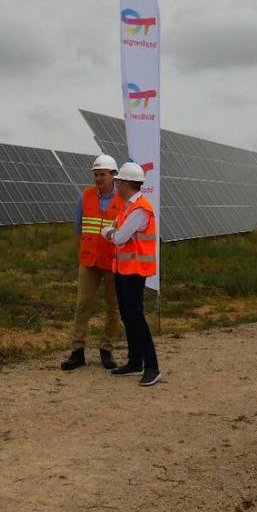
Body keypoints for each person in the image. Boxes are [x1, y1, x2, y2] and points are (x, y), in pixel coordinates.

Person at [60, 154, 124, 371]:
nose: (98, 178)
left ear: (113, 175)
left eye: (102, 174)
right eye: (95, 174)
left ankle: (107, 350)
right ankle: (77, 352)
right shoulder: (85, 196)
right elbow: (79, 227)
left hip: (113, 262)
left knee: (112, 307)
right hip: (89, 260)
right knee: (82, 305)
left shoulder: (123, 200)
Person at [100, 162, 161, 387]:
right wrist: (111, 231)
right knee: (128, 315)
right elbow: (112, 229)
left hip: (135, 271)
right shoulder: (128, 207)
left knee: (136, 317)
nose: (115, 186)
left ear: (125, 183)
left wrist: (111, 232)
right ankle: (135, 361)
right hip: (124, 270)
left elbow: (118, 237)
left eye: (117, 182)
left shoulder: (139, 209)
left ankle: (152, 366)